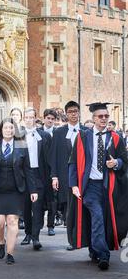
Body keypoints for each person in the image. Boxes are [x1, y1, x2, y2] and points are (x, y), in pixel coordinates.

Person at [68, 102, 128, 270]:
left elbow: (125, 160)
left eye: (106, 116)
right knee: (98, 217)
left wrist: (116, 162)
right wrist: (73, 185)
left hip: (109, 187)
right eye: (100, 116)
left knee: (103, 220)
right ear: (93, 118)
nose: (104, 119)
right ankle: (103, 255)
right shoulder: (82, 137)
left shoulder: (115, 137)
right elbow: (73, 162)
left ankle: (94, 250)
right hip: (90, 187)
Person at [0, 118, 38, 264]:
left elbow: (28, 170)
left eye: (11, 128)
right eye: (6, 128)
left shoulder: (22, 145)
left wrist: (33, 190)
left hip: (16, 191)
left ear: (15, 130)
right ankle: (1, 241)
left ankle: (10, 254)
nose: (8, 130)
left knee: (12, 221)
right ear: (1, 129)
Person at [51, 101, 86, 249]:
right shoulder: (59, 133)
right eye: (70, 111)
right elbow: (53, 155)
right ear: (66, 114)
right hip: (66, 177)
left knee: (84, 210)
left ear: (79, 113)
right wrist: (54, 176)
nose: (73, 114)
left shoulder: (86, 132)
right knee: (70, 210)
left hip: (84, 177)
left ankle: (84, 240)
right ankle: (72, 241)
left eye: (76, 111)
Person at [21, 108, 53, 247]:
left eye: (31, 117)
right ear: (23, 119)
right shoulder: (18, 136)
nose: (29, 120)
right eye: (26, 117)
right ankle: (28, 233)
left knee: (38, 207)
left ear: (35, 118)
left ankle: (36, 237)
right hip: (23, 176)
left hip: (39, 175)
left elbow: (50, 158)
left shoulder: (44, 136)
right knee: (26, 207)